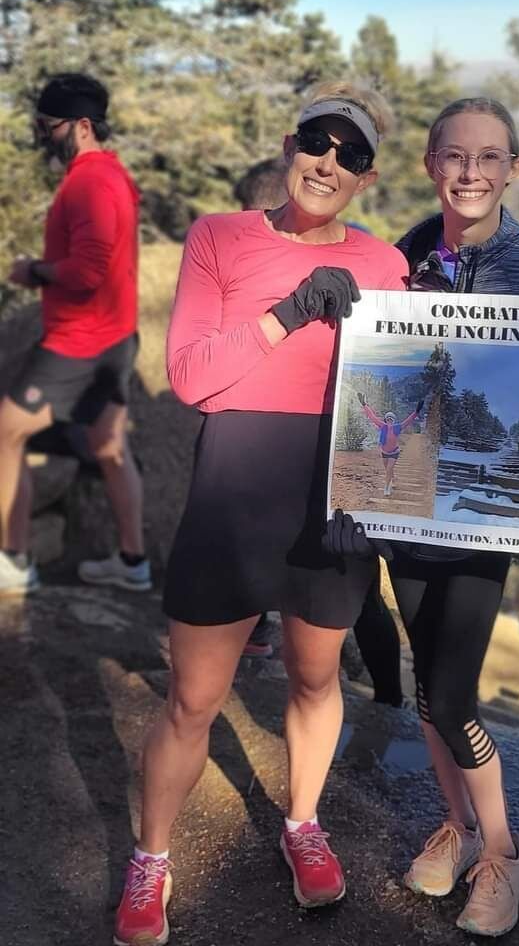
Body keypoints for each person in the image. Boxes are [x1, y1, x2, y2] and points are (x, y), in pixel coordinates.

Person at [112, 82, 408, 946]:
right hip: (237, 488)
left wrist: (379, 496)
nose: (329, 163)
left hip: (334, 493)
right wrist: (289, 313)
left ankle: (301, 822)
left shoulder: (386, 263)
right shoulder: (220, 236)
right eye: (317, 142)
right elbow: (193, 378)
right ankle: (150, 860)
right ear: (291, 145)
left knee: (316, 678)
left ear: (367, 176)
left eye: (350, 155)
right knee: (192, 700)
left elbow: (398, 398)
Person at [330, 96, 519, 938]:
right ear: (432, 165)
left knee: (458, 690)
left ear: (514, 169)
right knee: (431, 687)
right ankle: (460, 829)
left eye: (490, 157)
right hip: (405, 502)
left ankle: (505, 852)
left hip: (484, 513)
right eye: (455, 157)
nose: (471, 173)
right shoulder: (398, 259)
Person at [230, 157, 402, 704]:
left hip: (337, 443)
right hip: (309, 441)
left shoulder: (359, 255)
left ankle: (390, 695)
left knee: (358, 582)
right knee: (351, 582)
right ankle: (388, 694)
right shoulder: (268, 254)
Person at [1, 73, 148, 595]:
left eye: (49, 125)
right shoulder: (113, 175)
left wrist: (34, 271)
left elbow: (87, 271)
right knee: (108, 445)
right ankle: (133, 561)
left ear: (82, 126)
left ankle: (14, 561)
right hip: (115, 337)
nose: (43, 135)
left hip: (78, 342)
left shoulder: (89, 181)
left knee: (5, 431)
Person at [358, 391, 423, 496]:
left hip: (394, 452)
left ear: (394, 420)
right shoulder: (382, 426)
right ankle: (392, 478)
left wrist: (416, 411)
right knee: (388, 469)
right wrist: (364, 404)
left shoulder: (398, 427)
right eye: (388, 418)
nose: (389, 420)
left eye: (391, 418)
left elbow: (408, 420)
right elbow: (372, 416)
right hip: (384, 452)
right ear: (385, 419)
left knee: (389, 469)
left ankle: (387, 488)